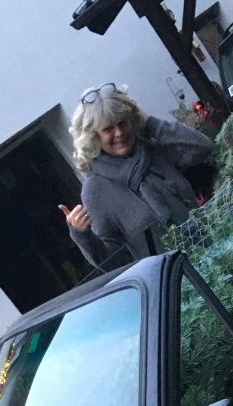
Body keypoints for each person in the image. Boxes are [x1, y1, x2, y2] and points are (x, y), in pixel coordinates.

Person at [59, 83, 213, 269]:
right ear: (94, 137)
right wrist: (82, 235)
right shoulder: (95, 189)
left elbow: (202, 147)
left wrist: (149, 123)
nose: (119, 133)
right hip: (175, 279)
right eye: (108, 129)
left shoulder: (153, 149)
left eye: (122, 122)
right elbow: (113, 262)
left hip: (216, 252)